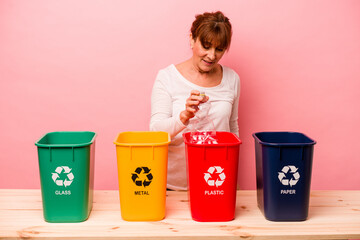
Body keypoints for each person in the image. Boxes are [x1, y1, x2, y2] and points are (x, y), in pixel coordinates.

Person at [150, 11, 240, 190]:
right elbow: (155, 132)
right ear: (191, 39)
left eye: (219, 49)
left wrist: (231, 175)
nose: (212, 56)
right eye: (206, 46)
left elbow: (233, 129)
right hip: (174, 186)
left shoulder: (232, 79)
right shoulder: (167, 78)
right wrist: (183, 117)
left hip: (217, 182)